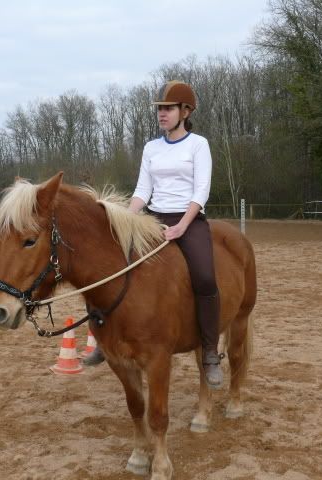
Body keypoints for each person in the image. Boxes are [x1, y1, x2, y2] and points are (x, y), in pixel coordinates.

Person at [83, 80, 223, 389]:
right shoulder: (151, 148)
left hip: (189, 219)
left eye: (168, 108)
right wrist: (124, 219)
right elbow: (143, 190)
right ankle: (103, 337)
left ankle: (210, 352)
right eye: (160, 109)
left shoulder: (198, 145)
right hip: (152, 218)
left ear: (185, 111)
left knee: (204, 277)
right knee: (104, 266)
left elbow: (201, 190)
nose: (162, 113)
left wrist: (182, 225)